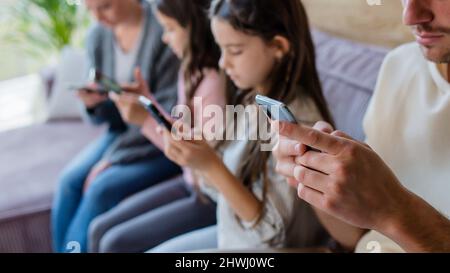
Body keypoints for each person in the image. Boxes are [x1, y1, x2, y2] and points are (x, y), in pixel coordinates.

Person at [148, 0, 335, 252]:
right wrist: (198, 157)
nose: (223, 63)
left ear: (278, 46)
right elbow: (225, 196)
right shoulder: (250, 100)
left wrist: (211, 166)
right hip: (235, 236)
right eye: (221, 49)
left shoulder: (297, 123)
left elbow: (270, 232)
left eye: (234, 51)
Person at [273, 0, 450, 253]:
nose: (409, 16)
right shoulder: (400, 65)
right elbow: (358, 237)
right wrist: (310, 175)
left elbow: (388, 215)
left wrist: (395, 210)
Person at [87, 0, 228, 253]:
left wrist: (146, 119)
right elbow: (181, 133)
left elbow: (193, 158)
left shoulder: (213, 86)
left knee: (113, 243)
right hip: (190, 182)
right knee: (98, 229)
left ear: (194, 27)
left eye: (171, 29)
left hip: (210, 194)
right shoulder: (189, 69)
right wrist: (149, 101)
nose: (164, 38)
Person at [51, 0, 180, 253]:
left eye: (105, 6)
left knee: (101, 186)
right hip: (121, 134)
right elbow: (103, 120)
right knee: (68, 181)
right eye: (90, 11)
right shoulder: (97, 36)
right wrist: (93, 104)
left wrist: (114, 159)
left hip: (158, 141)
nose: (98, 18)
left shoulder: (165, 28)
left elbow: (168, 115)